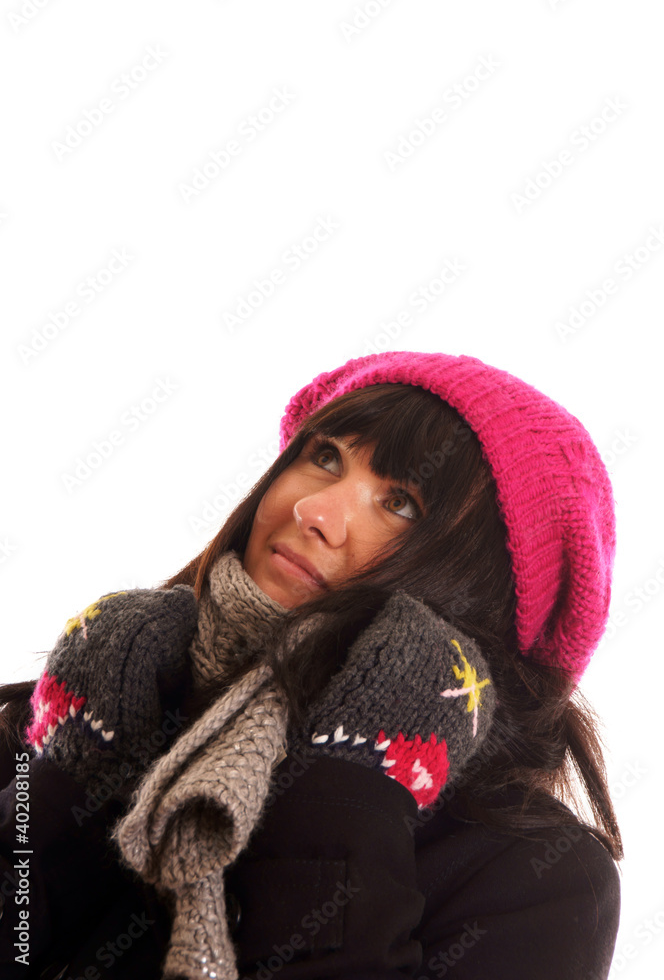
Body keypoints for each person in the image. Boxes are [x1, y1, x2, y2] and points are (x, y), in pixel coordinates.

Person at [0, 350, 622, 980]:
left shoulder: (539, 880)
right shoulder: (62, 717)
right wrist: (73, 779)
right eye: (325, 457)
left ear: (483, 597)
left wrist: (354, 781)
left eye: (401, 503)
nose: (314, 513)